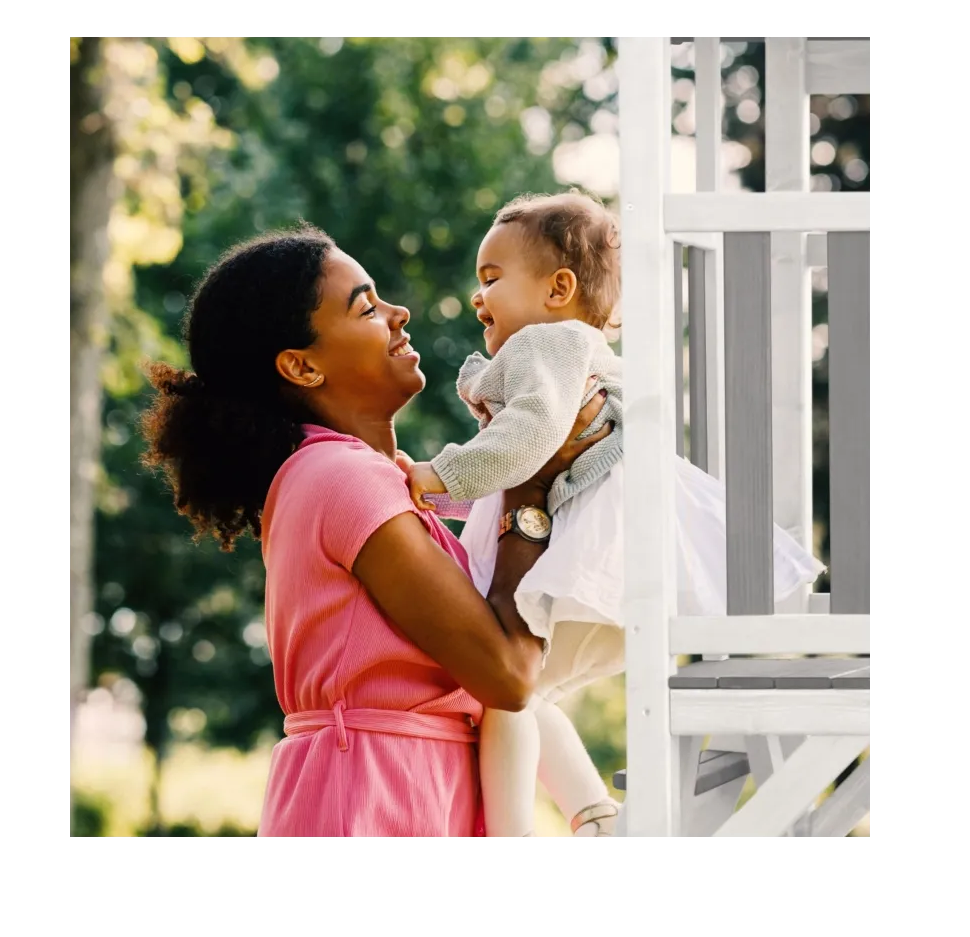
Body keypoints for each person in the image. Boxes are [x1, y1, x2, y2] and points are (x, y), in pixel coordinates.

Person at [139, 223, 610, 839]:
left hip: (403, 787)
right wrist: (532, 485)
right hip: (371, 796)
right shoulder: (342, 478)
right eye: (365, 306)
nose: (398, 312)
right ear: (302, 366)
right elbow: (508, 674)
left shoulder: (374, 479)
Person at [404, 190, 827, 839]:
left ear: (558, 288)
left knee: (505, 691)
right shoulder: (574, 350)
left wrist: (437, 475)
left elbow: (529, 439)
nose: (477, 297)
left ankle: (510, 837)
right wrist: (440, 491)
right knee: (523, 690)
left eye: (491, 279)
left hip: (588, 545)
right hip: (598, 543)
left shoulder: (549, 343)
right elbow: (516, 469)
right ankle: (593, 814)